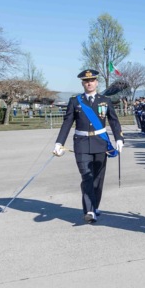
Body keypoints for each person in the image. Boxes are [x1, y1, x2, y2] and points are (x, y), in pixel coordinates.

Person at [53, 69, 124, 224]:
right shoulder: (75, 101)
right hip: (81, 144)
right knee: (87, 176)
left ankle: (94, 205)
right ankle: (89, 210)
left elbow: (114, 120)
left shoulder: (105, 100)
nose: (89, 83)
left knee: (98, 178)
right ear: (82, 83)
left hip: (100, 143)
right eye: (86, 81)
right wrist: (59, 143)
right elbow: (67, 123)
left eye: (92, 80)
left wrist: (119, 138)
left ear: (96, 82)